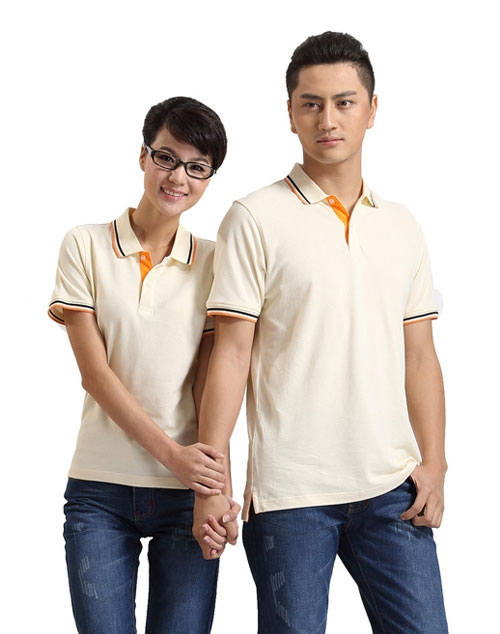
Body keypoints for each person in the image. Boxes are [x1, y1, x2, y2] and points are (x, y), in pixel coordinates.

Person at [193, 32, 449, 633]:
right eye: (311, 104)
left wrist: (435, 463)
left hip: (393, 488)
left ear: (372, 109)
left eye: (344, 102)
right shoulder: (253, 217)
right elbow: (230, 356)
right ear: (290, 114)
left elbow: (420, 356)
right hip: (291, 496)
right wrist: (212, 484)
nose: (327, 119)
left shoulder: (403, 226)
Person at [48, 96, 238, 634]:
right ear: (143, 156)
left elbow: (211, 383)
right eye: (167, 158)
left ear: (209, 179)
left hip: (187, 494)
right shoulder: (85, 245)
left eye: (197, 168)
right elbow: (95, 374)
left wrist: (214, 488)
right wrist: (174, 456)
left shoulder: (216, 261)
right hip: (100, 489)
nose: (178, 178)